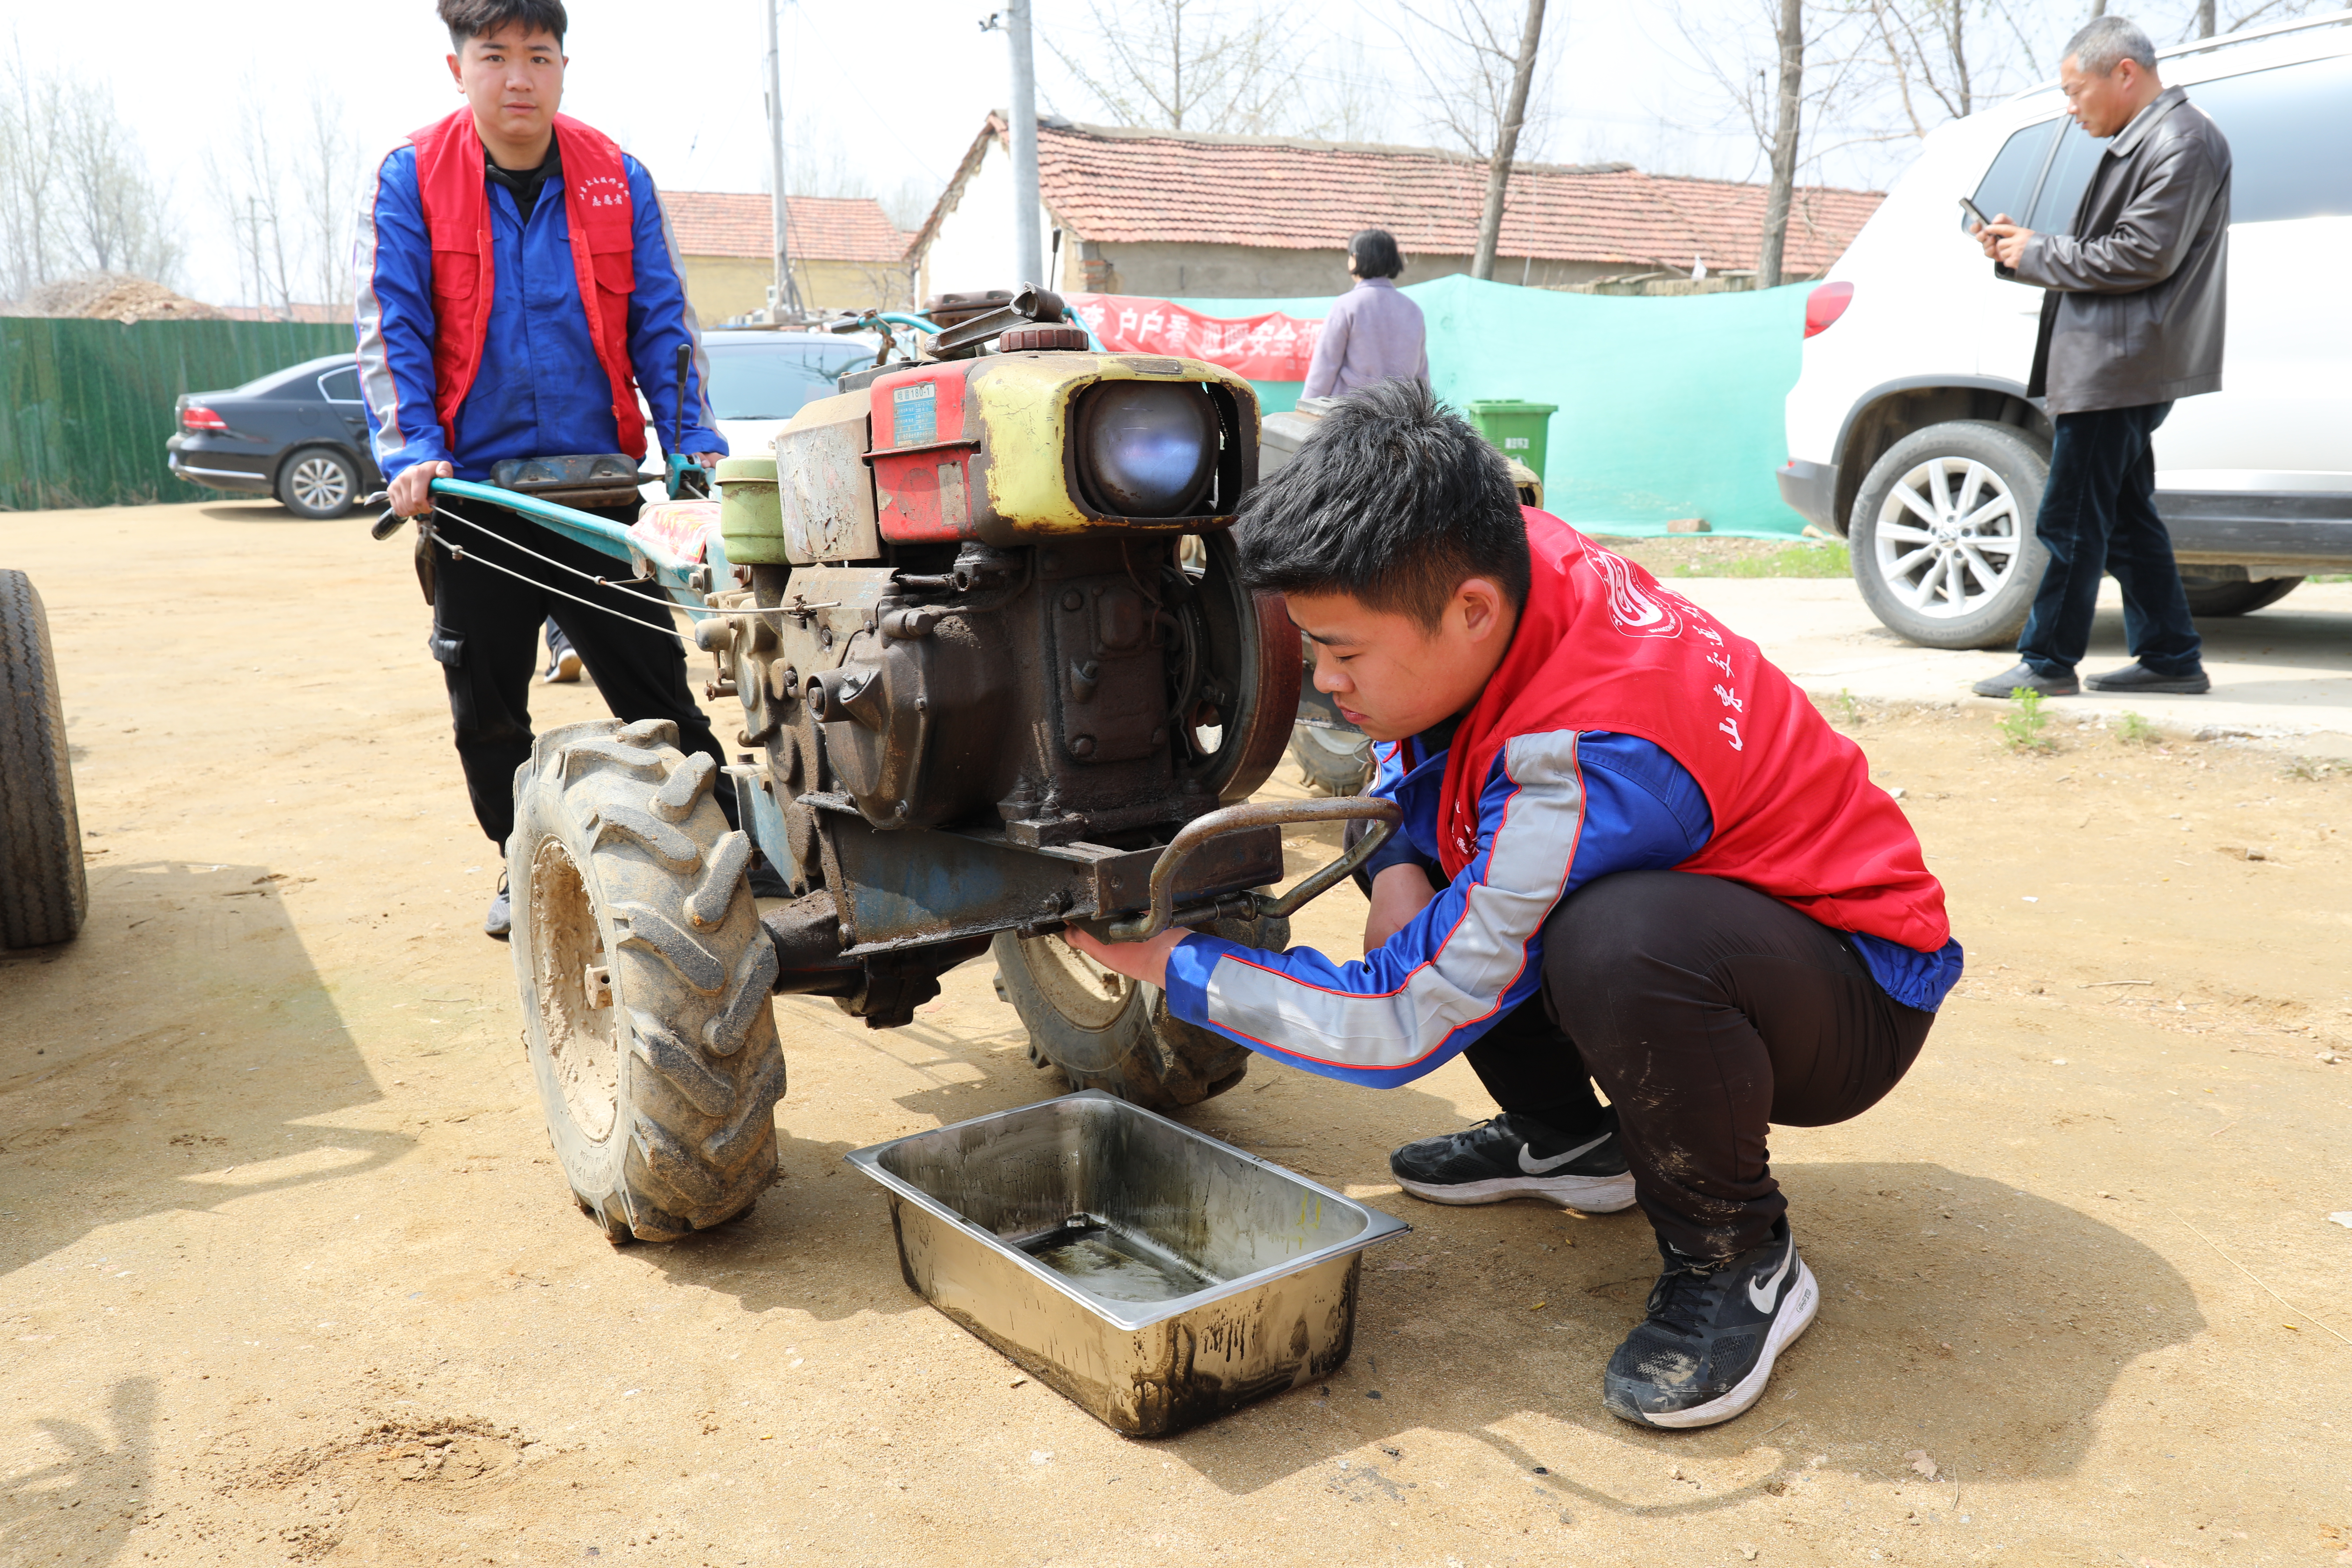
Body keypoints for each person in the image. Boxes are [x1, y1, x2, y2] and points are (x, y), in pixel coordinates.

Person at [1070, 381, 1962, 1430]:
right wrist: (1396, 855)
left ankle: (1738, 1256)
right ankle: (1569, 1142)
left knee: (1612, 940)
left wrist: (1175, 963)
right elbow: (1417, 743)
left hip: (1844, 993)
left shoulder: (1584, 760)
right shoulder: (1500, 554)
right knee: (1440, 861)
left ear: (1471, 612)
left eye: (1343, 653)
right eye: (1310, 646)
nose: (1321, 682)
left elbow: (1402, 1019)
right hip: (1725, 916)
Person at [357, 0, 740, 939]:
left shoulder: (617, 176)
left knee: (656, 689)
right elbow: (391, 325)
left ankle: (732, 847)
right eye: (495, 57)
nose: (518, 78)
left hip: (600, 494)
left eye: (539, 56)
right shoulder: (410, 178)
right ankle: (517, 852)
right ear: (460, 70)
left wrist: (691, 442)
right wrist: (413, 456)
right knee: (484, 705)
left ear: (565, 67)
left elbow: (662, 321)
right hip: (477, 497)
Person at [1968, 14, 2230, 700]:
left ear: (2125, 73)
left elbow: (2144, 254)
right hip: (2113, 358)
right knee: (2120, 513)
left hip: (2121, 364)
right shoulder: (2150, 139)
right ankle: (2171, 654)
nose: (2070, 106)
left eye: (2075, 89)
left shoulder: (2183, 140)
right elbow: (2120, 250)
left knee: (2071, 517)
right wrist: (2024, 247)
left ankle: (2048, 660)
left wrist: (2038, 252)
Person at [1300, 229, 1429, 401]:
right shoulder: (1414, 310)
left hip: (1353, 416)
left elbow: (1325, 367)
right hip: (1402, 417)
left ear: (1355, 259)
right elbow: (1421, 375)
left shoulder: (1347, 305)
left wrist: (1306, 408)